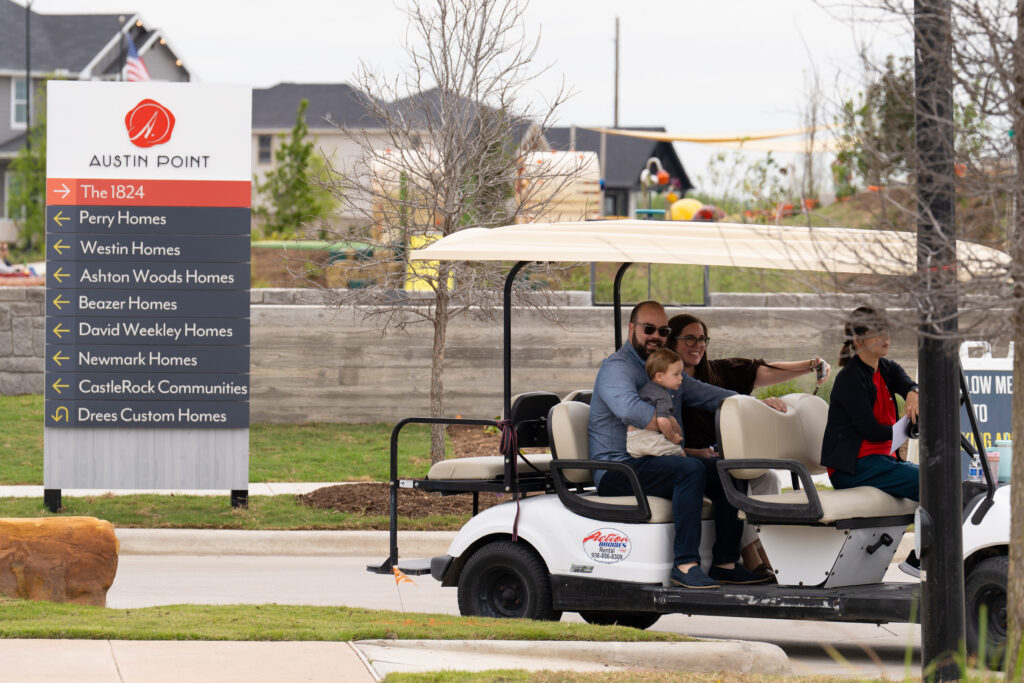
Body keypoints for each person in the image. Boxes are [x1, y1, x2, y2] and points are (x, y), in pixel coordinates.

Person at [588, 300, 775, 589]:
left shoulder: (663, 369)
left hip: (652, 462)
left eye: (662, 330)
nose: (656, 336)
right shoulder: (618, 368)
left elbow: (709, 394)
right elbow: (627, 408)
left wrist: (755, 404)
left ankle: (725, 563)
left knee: (728, 470)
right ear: (632, 329)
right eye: (649, 329)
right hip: (617, 469)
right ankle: (685, 565)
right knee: (688, 470)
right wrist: (663, 422)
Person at [666, 313, 832, 577]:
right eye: (689, 338)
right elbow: (663, 440)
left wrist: (813, 364)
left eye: (702, 339)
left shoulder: (717, 373)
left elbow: (762, 371)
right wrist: (751, 403)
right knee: (732, 479)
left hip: (719, 459)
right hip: (689, 460)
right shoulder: (666, 384)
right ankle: (748, 557)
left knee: (767, 479)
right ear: (671, 341)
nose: (697, 344)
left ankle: (764, 551)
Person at [820, 305, 920, 501]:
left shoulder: (888, 368)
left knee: (935, 475)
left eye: (887, 332)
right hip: (853, 468)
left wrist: (914, 392)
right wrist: (907, 427)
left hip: (882, 462)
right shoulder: (850, 378)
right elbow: (871, 431)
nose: (886, 338)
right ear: (858, 340)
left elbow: (908, 384)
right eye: (877, 333)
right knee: (927, 481)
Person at [626, 348, 686, 458]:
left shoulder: (646, 389)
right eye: (676, 374)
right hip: (646, 439)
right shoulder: (662, 396)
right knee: (680, 453)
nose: (681, 378)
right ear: (659, 376)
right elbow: (662, 420)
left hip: (631, 440)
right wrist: (672, 437)